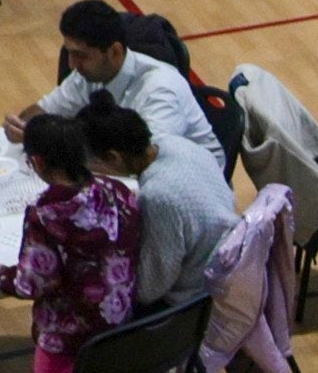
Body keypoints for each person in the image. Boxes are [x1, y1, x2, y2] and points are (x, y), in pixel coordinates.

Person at [0, 107, 139, 373]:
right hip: (122, 316)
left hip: (76, 332)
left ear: (37, 161)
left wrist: (2, 275)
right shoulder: (117, 190)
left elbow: (31, 283)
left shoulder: (47, 215)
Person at [83, 97, 236, 313]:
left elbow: (149, 289)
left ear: (113, 157)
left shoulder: (157, 196)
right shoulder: (178, 143)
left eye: (94, 166)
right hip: (227, 267)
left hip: (193, 302)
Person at [47, 0, 227, 172]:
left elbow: (147, 164)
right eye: (70, 53)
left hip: (190, 180)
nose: (72, 65)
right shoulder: (91, 72)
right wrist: (29, 130)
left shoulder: (160, 90)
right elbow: (45, 110)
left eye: (81, 55)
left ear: (115, 52)